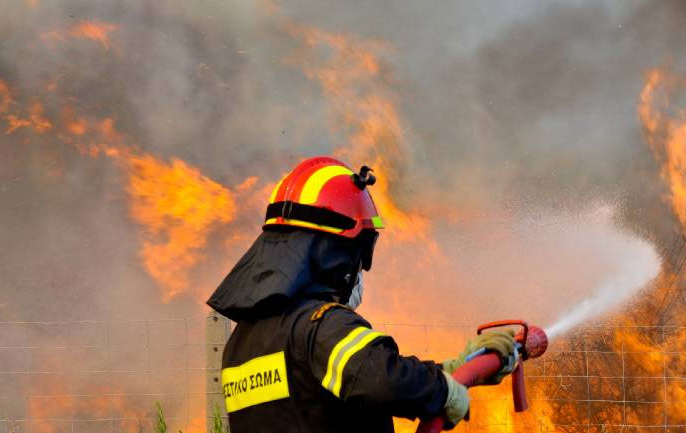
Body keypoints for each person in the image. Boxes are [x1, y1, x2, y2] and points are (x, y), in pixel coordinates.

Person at [207, 156, 519, 433]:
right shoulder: (320, 326)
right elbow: (383, 379)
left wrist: (454, 369)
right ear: (336, 254)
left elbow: (348, 380)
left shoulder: (240, 345)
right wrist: (443, 391)